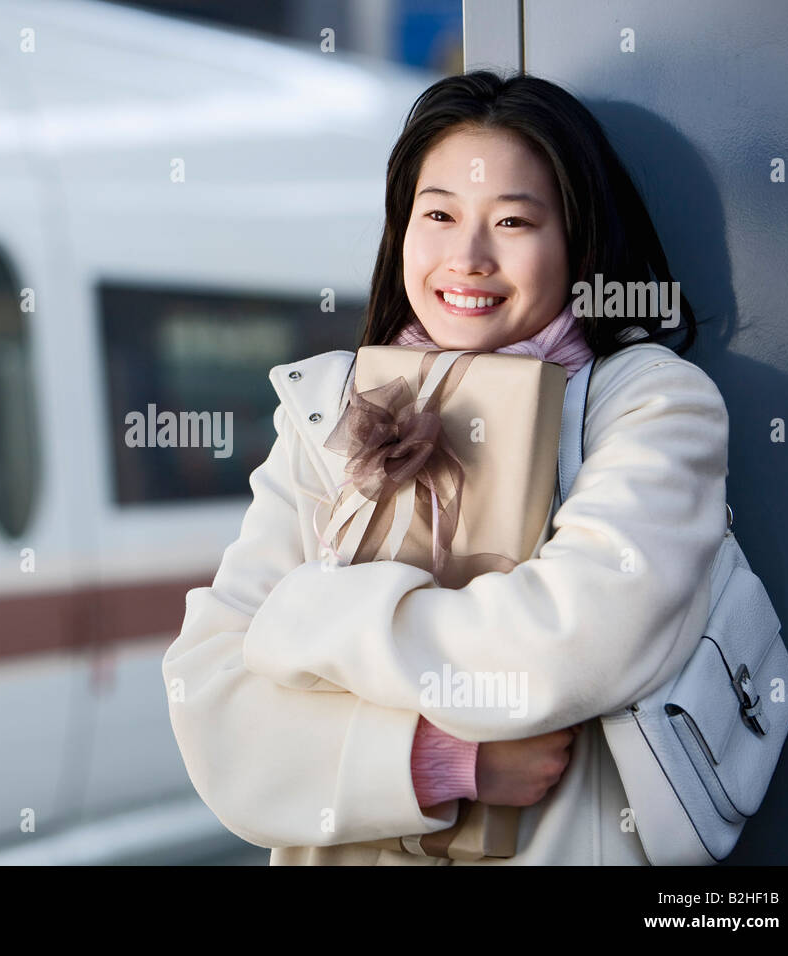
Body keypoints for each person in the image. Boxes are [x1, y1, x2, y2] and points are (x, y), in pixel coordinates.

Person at [161, 70, 730, 865]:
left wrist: (304, 620)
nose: (468, 257)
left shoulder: (649, 404)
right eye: (439, 214)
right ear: (402, 228)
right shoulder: (328, 402)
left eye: (513, 221)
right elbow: (212, 696)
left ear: (577, 242)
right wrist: (440, 759)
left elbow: (572, 641)